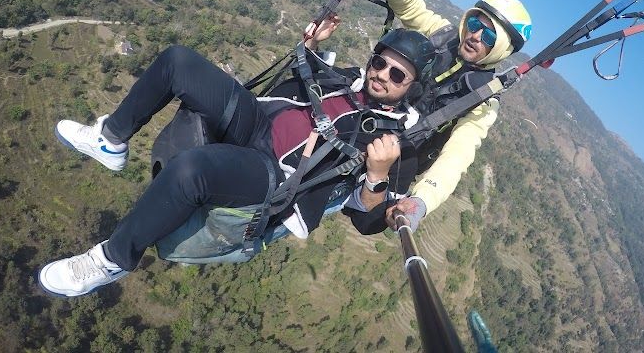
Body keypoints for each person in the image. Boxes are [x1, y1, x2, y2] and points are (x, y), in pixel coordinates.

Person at [38, 20, 436, 297]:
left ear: (412, 88)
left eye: (397, 75)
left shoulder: (398, 141)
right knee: (178, 62)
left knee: (192, 171)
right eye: (379, 62)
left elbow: (366, 217)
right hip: (257, 121)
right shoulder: (349, 77)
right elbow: (301, 82)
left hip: (276, 175)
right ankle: (110, 141)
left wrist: (377, 175)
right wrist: (311, 45)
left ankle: (111, 260)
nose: (381, 74)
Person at [369, 0, 532, 231]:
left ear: (502, 48)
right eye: (474, 23)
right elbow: (410, 7)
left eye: (490, 34)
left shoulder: (484, 99)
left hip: (398, 156)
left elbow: (456, 157)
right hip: (371, 119)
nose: (475, 35)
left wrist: (420, 201)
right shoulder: (443, 35)